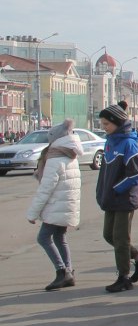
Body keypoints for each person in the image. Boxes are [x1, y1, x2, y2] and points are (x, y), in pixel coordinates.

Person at [96, 104, 138, 293]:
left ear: (117, 123)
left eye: (106, 124)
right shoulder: (110, 142)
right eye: (102, 123)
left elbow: (134, 174)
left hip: (124, 199)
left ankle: (124, 277)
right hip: (111, 198)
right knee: (109, 235)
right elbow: (105, 172)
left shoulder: (129, 144)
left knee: (120, 238)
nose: (104, 127)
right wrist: (102, 191)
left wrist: (115, 189)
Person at [27, 119, 82, 291]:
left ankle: (61, 271)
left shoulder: (54, 158)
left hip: (56, 205)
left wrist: (32, 214)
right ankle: (69, 272)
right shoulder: (70, 154)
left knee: (43, 238)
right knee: (59, 237)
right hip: (66, 204)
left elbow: (45, 189)